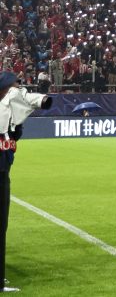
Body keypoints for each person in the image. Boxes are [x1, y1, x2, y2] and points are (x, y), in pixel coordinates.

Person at [0, 71, 52, 292]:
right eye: (14, 85)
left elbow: (24, 115)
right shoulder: (5, 106)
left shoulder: (10, 108)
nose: (18, 89)